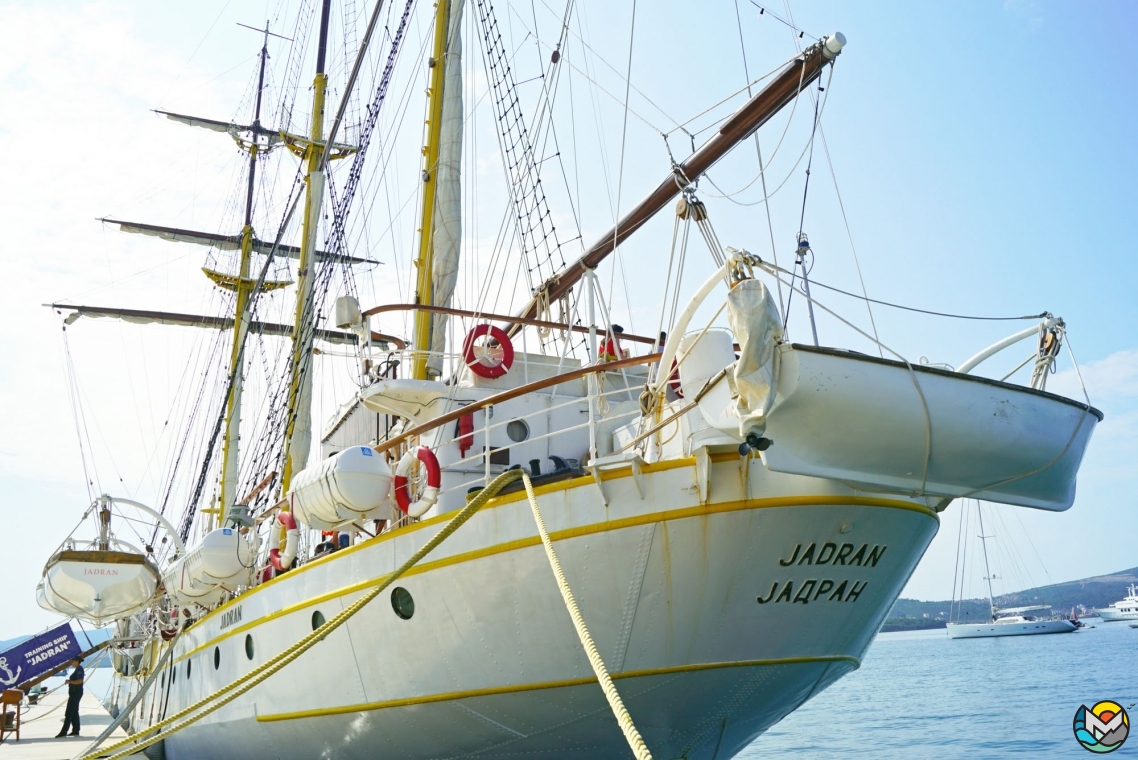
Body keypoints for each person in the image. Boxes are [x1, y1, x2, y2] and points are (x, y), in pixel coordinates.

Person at [56, 657, 84, 737]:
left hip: (76, 693)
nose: (71, 663)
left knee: (69, 712)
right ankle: (76, 730)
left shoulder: (79, 669)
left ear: (77, 661)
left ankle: (63, 731)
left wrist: (70, 682)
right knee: (74, 712)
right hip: (74, 693)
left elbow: (79, 681)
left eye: (72, 661)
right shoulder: (77, 669)